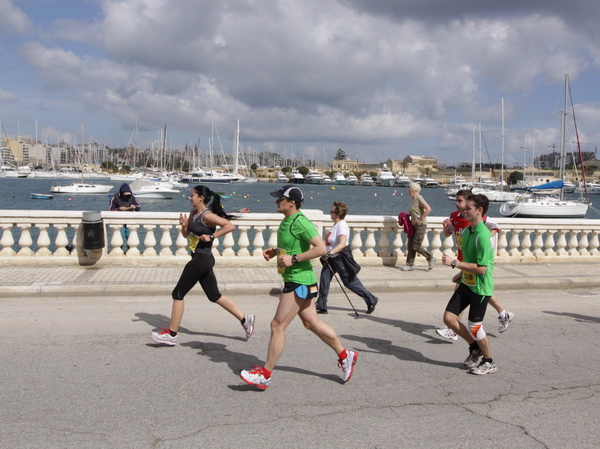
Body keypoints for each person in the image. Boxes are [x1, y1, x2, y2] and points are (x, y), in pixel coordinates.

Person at [240, 185, 358, 390]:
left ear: (291, 202)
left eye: (280, 199)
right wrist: (276, 251)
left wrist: (293, 259)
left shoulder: (301, 222)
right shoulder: (287, 220)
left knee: (277, 325)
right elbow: (293, 246)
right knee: (312, 323)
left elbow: (320, 248)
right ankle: (345, 355)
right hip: (297, 279)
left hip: (299, 281)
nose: (276, 201)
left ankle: (265, 375)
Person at [151, 185, 255, 345]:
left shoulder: (207, 215)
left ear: (201, 197)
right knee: (214, 296)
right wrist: (184, 225)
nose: (190, 197)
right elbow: (186, 235)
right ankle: (245, 319)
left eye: (192, 195)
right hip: (199, 258)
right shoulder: (193, 213)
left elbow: (229, 226)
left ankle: (172, 334)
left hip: (202, 259)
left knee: (177, 293)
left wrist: (212, 236)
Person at [436, 190, 514, 340]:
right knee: (481, 292)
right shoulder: (454, 216)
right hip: (463, 260)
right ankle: (504, 314)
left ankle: (454, 330)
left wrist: (481, 243)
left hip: (474, 261)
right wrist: (446, 227)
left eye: (460, 201)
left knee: (471, 292)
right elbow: (448, 234)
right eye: (456, 201)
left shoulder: (477, 218)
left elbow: (495, 228)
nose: (457, 204)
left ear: (468, 203)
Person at [441, 194, 497, 375]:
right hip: (467, 282)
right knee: (449, 318)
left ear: (479, 210)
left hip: (480, 287)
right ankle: (475, 348)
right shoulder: (466, 232)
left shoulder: (483, 235)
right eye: (464, 208)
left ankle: (489, 361)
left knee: (475, 325)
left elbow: (482, 269)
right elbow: (469, 259)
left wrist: (454, 263)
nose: (463, 211)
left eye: (468, 208)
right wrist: (461, 273)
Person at [315, 201, 378, 314]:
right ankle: (321, 305)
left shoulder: (342, 225)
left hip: (340, 258)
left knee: (349, 282)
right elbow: (330, 242)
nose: (330, 213)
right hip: (331, 258)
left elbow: (342, 244)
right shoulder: (335, 225)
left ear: (338, 214)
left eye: (332, 211)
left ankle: (371, 299)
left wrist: (330, 253)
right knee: (324, 279)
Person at [400, 182, 436, 271]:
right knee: (410, 245)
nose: (408, 191)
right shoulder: (413, 199)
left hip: (420, 225)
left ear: (413, 190)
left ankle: (430, 258)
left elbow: (428, 209)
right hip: (413, 225)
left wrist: (421, 219)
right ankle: (410, 265)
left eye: (409, 189)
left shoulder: (419, 198)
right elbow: (415, 211)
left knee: (415, 246)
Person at [108, 183, 140, 252]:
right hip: (119, 221)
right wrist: (119, 209)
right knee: (119, 237)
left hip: (129, 221)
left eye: (128, 194)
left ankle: (130, 251)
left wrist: (134, 207)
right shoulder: (115, 198)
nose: (127, 196)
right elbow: (110, 209)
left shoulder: (132, 197)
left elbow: (138, 207)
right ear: (122, 193)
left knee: (130, 237)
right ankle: (119, 251)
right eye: (125, 194)